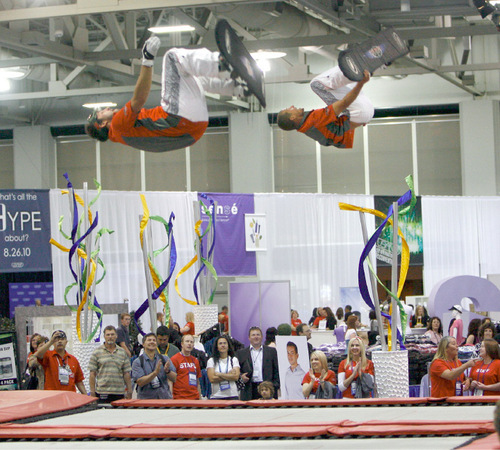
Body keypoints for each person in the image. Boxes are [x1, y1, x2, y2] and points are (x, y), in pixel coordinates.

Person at [85, 36, 245, 152]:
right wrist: (147, 60)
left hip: (195, 127)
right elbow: (139, 99)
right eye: (101, 112)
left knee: (189, 74)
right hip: (180, 119)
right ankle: (223, 64)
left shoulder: (125, 135)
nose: (105, 108)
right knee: (173, 57)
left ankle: (237, 88)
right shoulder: (118, 126)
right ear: (102, 124)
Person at [277, 67, 372, 149]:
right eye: (289, 109)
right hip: (360, 111)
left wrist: (359, 121)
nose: (292, 106)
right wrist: (361, 83)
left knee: (344, 87)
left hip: (363, 114)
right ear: (292, 117)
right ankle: (351, 66)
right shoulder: (314, 120)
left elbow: (339, 132)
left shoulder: (309, 129)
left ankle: (366, 69)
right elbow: (344, 103)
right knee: (316, 84)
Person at [89, 325, 132, 402]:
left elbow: (126, 373)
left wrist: (129, 390)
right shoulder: (97, 352)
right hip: (102, 392)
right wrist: (92, 392)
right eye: (108, 335)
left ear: (116, 336)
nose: (110, 337)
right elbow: (92, 374)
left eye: (112, 334)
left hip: (119, 392)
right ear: (104, 336)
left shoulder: (122, 352)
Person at [34, 330, 86, 394]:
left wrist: (86, 395)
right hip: (52, 397)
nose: (59, 341)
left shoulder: (73, 359)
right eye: (57, 339)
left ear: (66, 342)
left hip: (69, 397)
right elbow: (37, 354)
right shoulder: (48, 355)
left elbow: (79, 381)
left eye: (62, 339)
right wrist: (50, 341)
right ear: (53, 342)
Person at [236, 326, 280, 400]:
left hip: (267, 388)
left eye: (258, 335)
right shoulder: (241, 353)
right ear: (249, 338)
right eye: (253, 335)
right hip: (249, 388)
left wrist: (274, 385)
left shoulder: (271, 351)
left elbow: (276, 370)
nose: (256, 337)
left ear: (262, 337)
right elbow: (237, 371)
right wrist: (241, 377)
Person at [132, 333, 177, 399]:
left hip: (164, 399)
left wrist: (168, 371)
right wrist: (155, 373)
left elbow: (174, 378)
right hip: (146, 401)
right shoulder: (138, 362)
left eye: (154, 340)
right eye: (149, 340)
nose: (152, 342)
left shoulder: (164, 359)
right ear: (143, 344)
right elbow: (140, 382)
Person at [206, 335, 240, 400]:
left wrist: (219, 374)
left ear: (228, 346)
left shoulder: (233, 360)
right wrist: (229, 375)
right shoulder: (211, 361)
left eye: (225, 343)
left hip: (232, 395)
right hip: (216, 396)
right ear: (217, 347)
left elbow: (236, 377)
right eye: (220, 343)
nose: (223, 345)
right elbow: (212, 379)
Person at [170, 334, 202, 399]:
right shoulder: (174, 359)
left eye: (191, 342)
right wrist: (171, 398)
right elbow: (170, 381)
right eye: (187, 341)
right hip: (179, 398)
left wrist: (200, 398)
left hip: (194, 397)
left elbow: (198, 382)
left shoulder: (195, 361)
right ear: (182, 344)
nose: (189, 344)